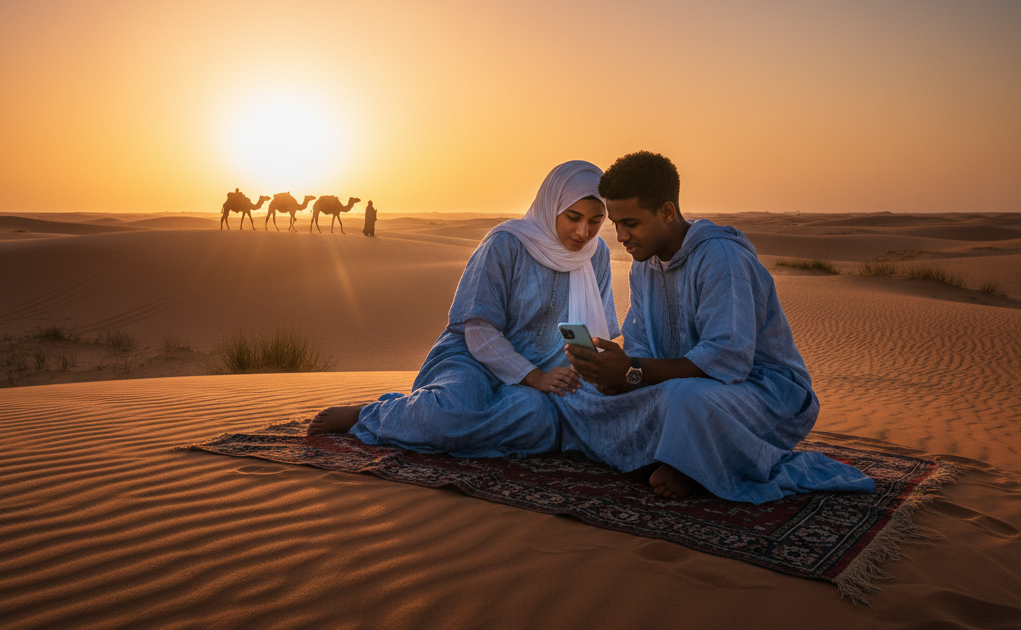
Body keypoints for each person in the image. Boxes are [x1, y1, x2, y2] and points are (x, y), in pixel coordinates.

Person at [559, 151, 874, 504]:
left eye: (630, 223)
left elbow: (725, 364)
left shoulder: (722, 258)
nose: (620, 236)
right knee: (582, 393)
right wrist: (620, 379)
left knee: (685, 398)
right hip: (680, 388)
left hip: (764, 396)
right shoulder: (643, 267)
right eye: (615, 224)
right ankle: (681, 454)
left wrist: (631, 369)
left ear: (666, 212)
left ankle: (693, 467)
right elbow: (643, 356)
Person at [307, 161, 619, 459]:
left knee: (540, 420)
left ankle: (451, 412)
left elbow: (590, 333)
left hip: (546, 371)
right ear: (552, 207)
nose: (583, 233)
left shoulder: (596, 255)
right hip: (473, 358)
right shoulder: (507, 243)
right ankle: (370, 413)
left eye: (595, 221)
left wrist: (590, 373)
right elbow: (479, 329)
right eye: (573, 217)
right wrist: (534, 376)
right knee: (450, 417)